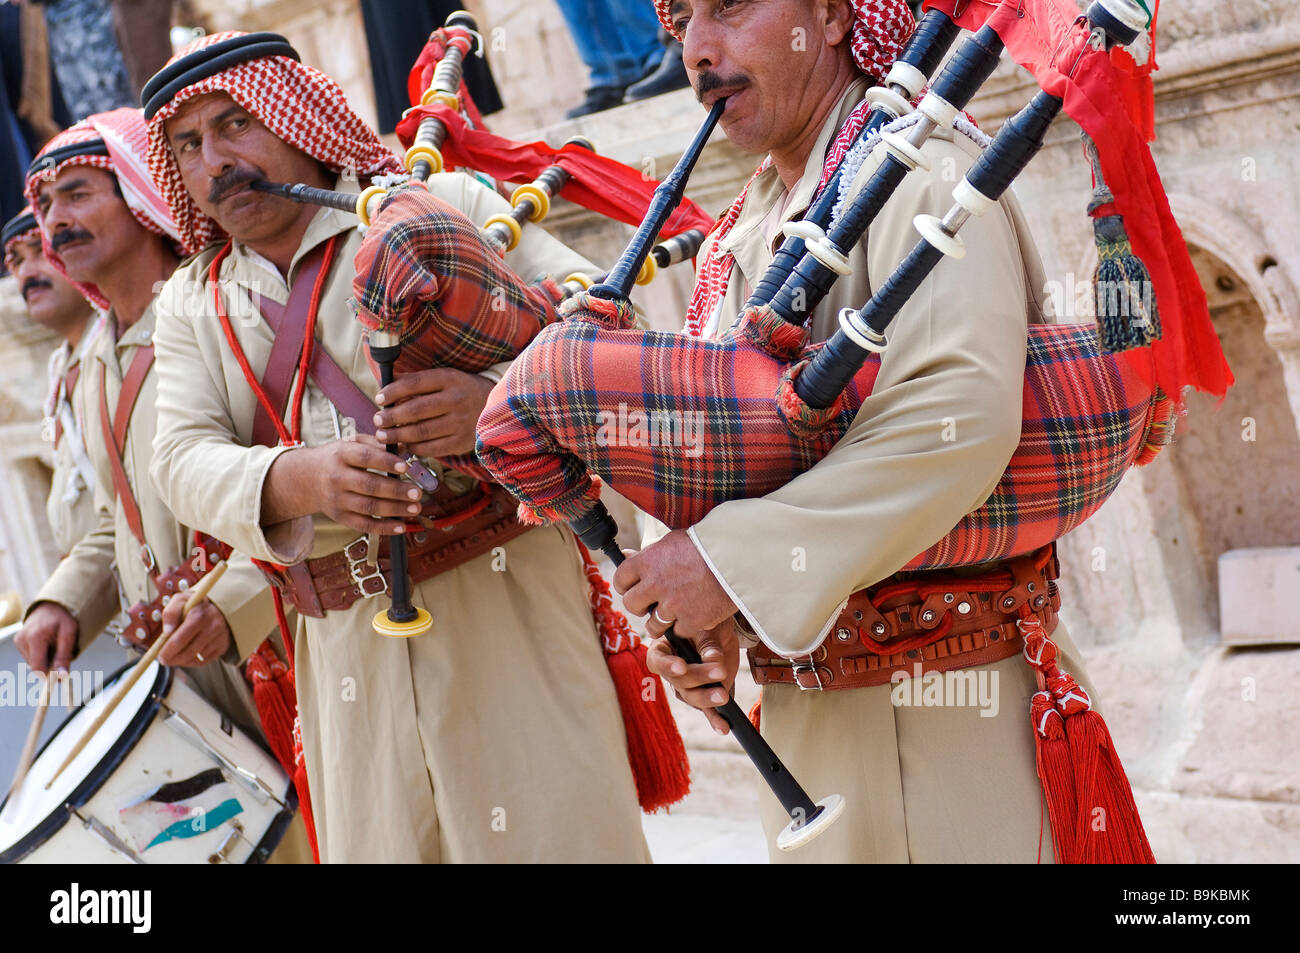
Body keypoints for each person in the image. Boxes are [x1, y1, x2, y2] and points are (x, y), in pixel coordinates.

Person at [143, 31, 651, 863]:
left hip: (508, 600)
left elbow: (610, 329)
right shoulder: (190, 302)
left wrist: (493, 406)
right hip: (345, 649)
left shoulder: (436, 199)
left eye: (235, 124)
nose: (214, 162)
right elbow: (178, 459)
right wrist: (298, 479)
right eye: (188, 146)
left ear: (295, 116)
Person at [626, 0, 1109, 862]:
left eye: (730, 7)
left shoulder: (928, 179)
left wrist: (724, 569)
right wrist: (707, 615)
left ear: (833, 15)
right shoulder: (737, 237)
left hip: (948, 724)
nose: (698, 48)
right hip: (806, 733)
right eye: (683, 18)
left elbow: (954, 419)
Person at [12, 109, 313, 864]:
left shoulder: (223, 310)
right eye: (46, 206)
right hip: (189, 674)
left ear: (142, 197)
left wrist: (234, 599)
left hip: (284, 643)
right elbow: (121, 522)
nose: (57, 221)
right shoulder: (93, 360)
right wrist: (63, 599)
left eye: (78, 194)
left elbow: (303, 473)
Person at [3, 206, 106, 559]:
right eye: (15, 261)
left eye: (39, 251)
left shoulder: (130, 347)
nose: (26, 273)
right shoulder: (60, 370)